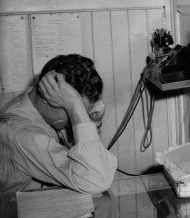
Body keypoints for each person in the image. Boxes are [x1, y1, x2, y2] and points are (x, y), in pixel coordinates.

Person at [0, 54, 117, 194]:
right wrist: (75, 107)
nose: (75, 118)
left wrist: (94, 121)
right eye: (72, 108)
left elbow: (83, 153)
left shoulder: (34, 104)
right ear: (46, 96)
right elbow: (96, 180)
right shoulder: (22, 134)